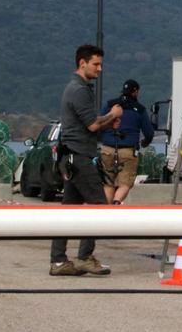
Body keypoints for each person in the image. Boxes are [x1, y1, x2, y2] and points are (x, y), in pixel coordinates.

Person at [49, 44, 122, 277]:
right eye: (96, 64)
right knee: (99, 206)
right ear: (82, 63)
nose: (100, 69)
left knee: (69, 210)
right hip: (79, 156)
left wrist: (107, 120)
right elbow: (92, 125)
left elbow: (89, 121)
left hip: (72, 155)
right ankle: (84, 258)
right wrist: (114, 115)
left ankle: (59, 261)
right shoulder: (79, 90)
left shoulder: (77, 88)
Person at [99, 79, 154, 205]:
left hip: (107, 149)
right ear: (135, 92)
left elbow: (100, 124)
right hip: (127, 151)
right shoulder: (139, 110)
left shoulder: (110, 105)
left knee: (108, 184)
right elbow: (149, 132)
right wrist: (145, 142)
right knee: (125, 184)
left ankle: (105, 212)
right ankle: (116, 203)